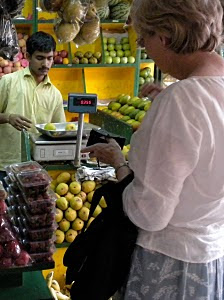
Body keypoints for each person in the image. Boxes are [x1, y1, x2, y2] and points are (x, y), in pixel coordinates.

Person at [82, 0, 224, 298]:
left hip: (169, 261)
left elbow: (150, 214)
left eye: (144, 40)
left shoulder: (181, 100)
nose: (145, 50)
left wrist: (122, 169)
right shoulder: (208, 92)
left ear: (165, 35)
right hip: (211, 257)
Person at [0, 31, 65, 181]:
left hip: (38, 168)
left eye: (49, 58)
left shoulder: (55, 94)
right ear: (28, 56)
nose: (45, 64)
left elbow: (58, 132)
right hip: (5, 165)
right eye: (40, 58)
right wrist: (8, 117)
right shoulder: (8, 81)